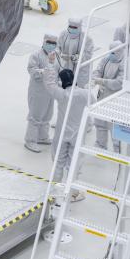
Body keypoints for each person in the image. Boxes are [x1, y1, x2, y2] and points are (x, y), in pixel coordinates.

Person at [45, 67, 91, 199]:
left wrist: (50, 65)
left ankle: (55, 188)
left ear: (62, 82)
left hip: (62, 133)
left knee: (58, 161)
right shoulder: (85, 93)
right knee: (74, 163)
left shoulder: (61, 94)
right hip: (77, 134)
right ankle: (73, 192)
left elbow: (49, 84)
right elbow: (94, 104)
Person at [25, 34, 59, 153]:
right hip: (38, 91)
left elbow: (58, 71)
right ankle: (30, 140)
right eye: (48, 42)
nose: (51, 45)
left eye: (53, 43)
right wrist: (46, 71)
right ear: (44, 42)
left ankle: (42, 137)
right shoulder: (36, 55)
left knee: (47, 115)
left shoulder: (56, 56)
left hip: (50, 91)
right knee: (36, 116)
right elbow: (32, 71)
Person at [93, 41, 126, 152]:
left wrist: (102, 81)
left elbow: (118, 83)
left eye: (114, 53)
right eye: (110, 52)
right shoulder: (107, 59)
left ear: (120, 52)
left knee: (114, 124)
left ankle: (117, 148)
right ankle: (100, 144)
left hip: (115, 98)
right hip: (102, 95)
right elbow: (97, 71)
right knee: (100, 121)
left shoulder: (124, 64)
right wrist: (96, 80)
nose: (111, 54)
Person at [58, 17, 95, 87]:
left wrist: (73, 58)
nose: (72, 29)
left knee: (78, 90)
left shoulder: (86, 38)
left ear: (79, 27)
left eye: (75, 27)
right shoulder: (63, 34)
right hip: (66, 66)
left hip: (80, 69)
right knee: (65, 87)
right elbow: (57, 46)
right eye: (70, 27)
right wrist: (59, 55)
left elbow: (88, 54)